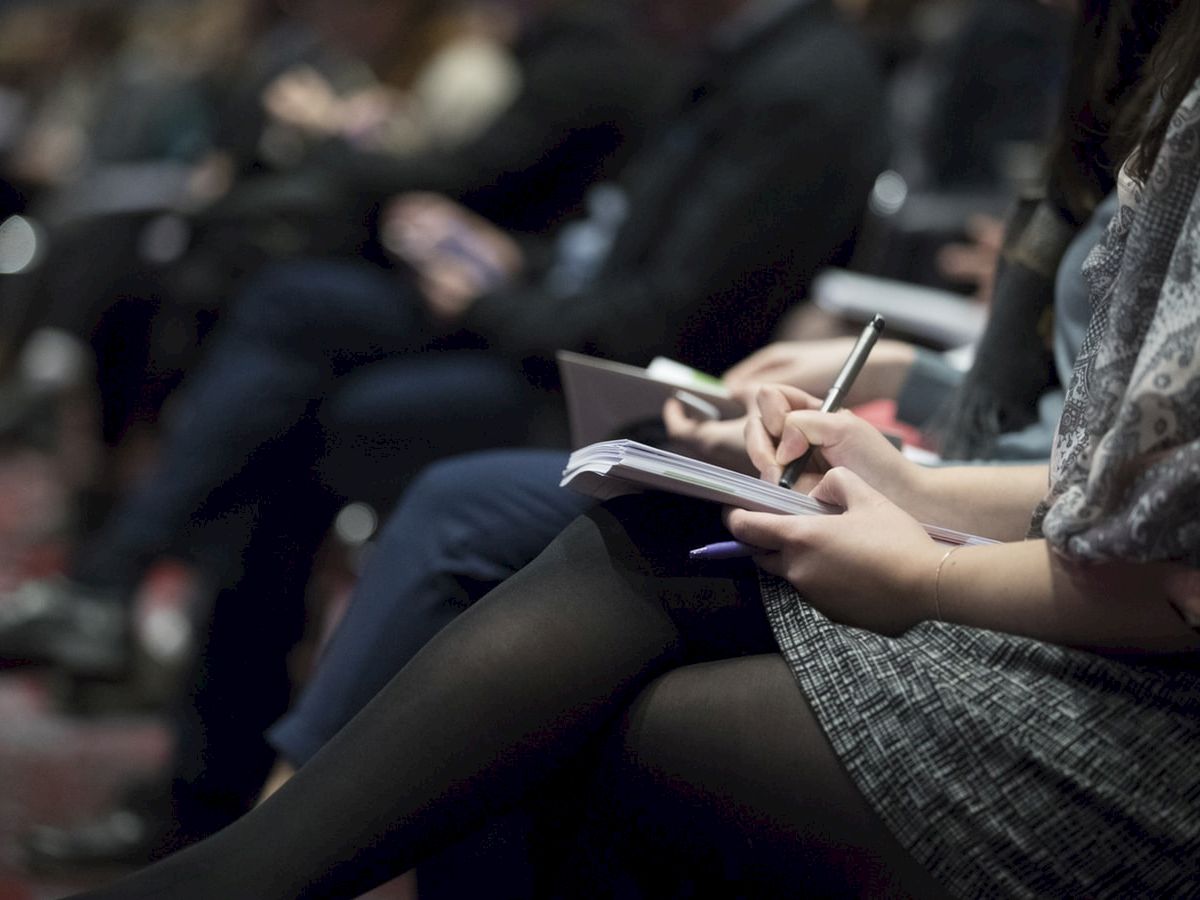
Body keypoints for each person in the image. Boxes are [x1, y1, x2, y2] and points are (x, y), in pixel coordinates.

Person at [68, 0, 1200, 896]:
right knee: (321, 364)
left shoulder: (786, 79)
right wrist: (911, 477)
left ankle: (238, 844)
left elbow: (1163, 555)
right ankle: (226, 823)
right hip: (1031, 541)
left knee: (545, 626)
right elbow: (1109, 474)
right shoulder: (1137, 86)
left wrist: (933, 562)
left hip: (1145, 719)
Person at [5, 0, 888, 867]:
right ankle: (217, 791)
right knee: (282, 336)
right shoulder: (723, 56)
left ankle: (240, 817)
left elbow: (660, 322)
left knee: (320, 427)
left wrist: (495, 297)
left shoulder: (786, 81)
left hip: (646, 405)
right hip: (576, 350)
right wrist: (507, 261)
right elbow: (610, 257)